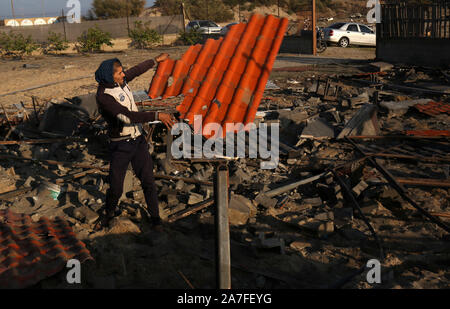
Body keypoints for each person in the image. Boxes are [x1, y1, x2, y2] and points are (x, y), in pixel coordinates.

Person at [94, 54, 176, 231]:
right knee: (116, 187)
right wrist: (157, 115)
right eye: (119, 73)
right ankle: (108, 215)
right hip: (121, 145)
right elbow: (127, 117)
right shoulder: (104, 96)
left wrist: (155, 60)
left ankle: (155, 220)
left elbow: (136, 71)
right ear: (110, 75)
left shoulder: (120, 82)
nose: (123, 75)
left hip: (137, 140)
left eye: (122, 72)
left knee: (148, 181)